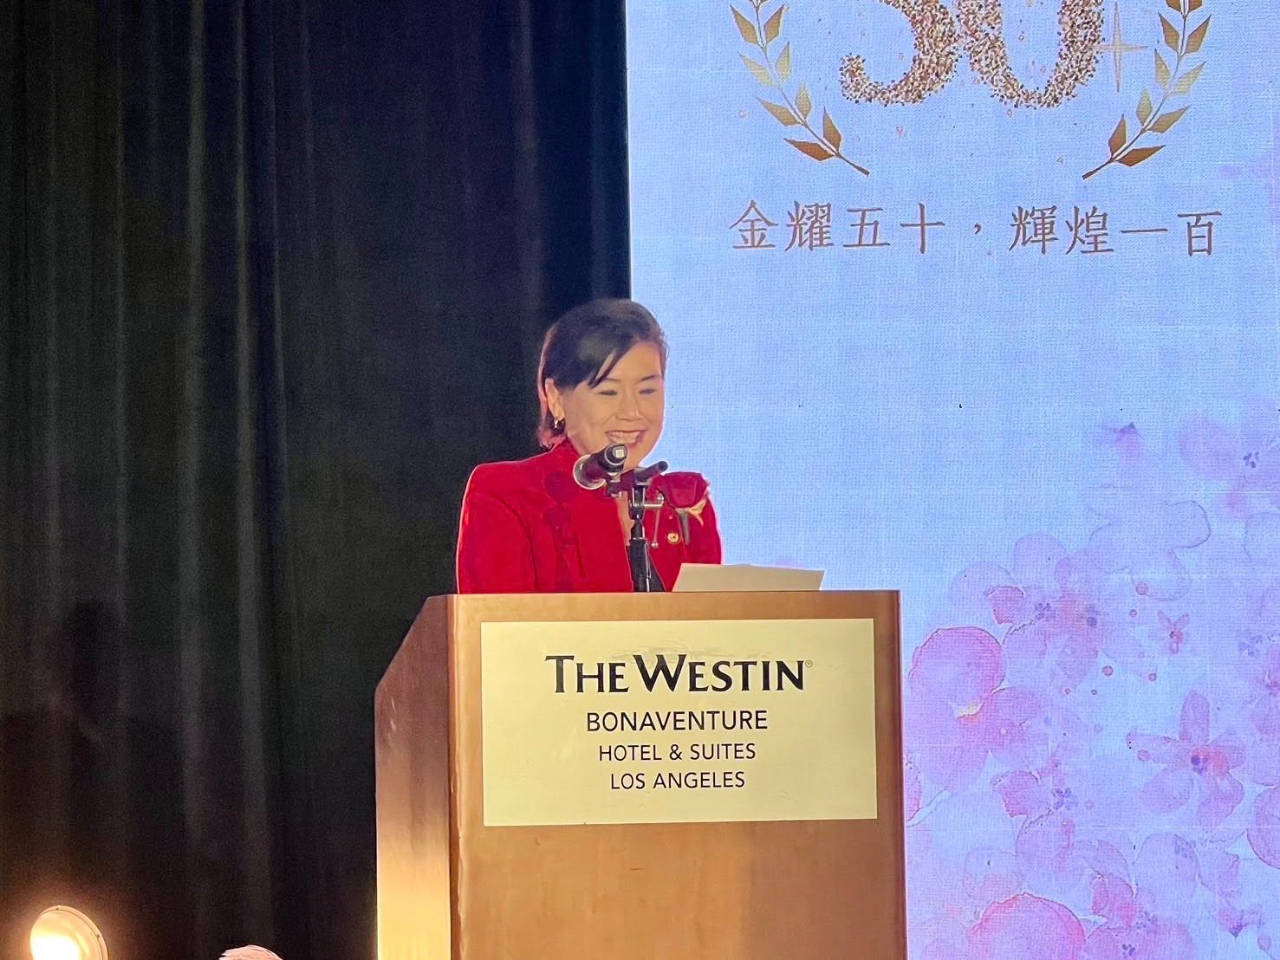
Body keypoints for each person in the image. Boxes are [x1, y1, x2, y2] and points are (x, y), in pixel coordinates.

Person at [456, 298, 721, 592]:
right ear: (555, 397)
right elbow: (496, 619)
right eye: (609, 392)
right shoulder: (509, 493)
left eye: (647, 390)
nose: (632, 412)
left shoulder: (683, 501)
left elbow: (716, 617)